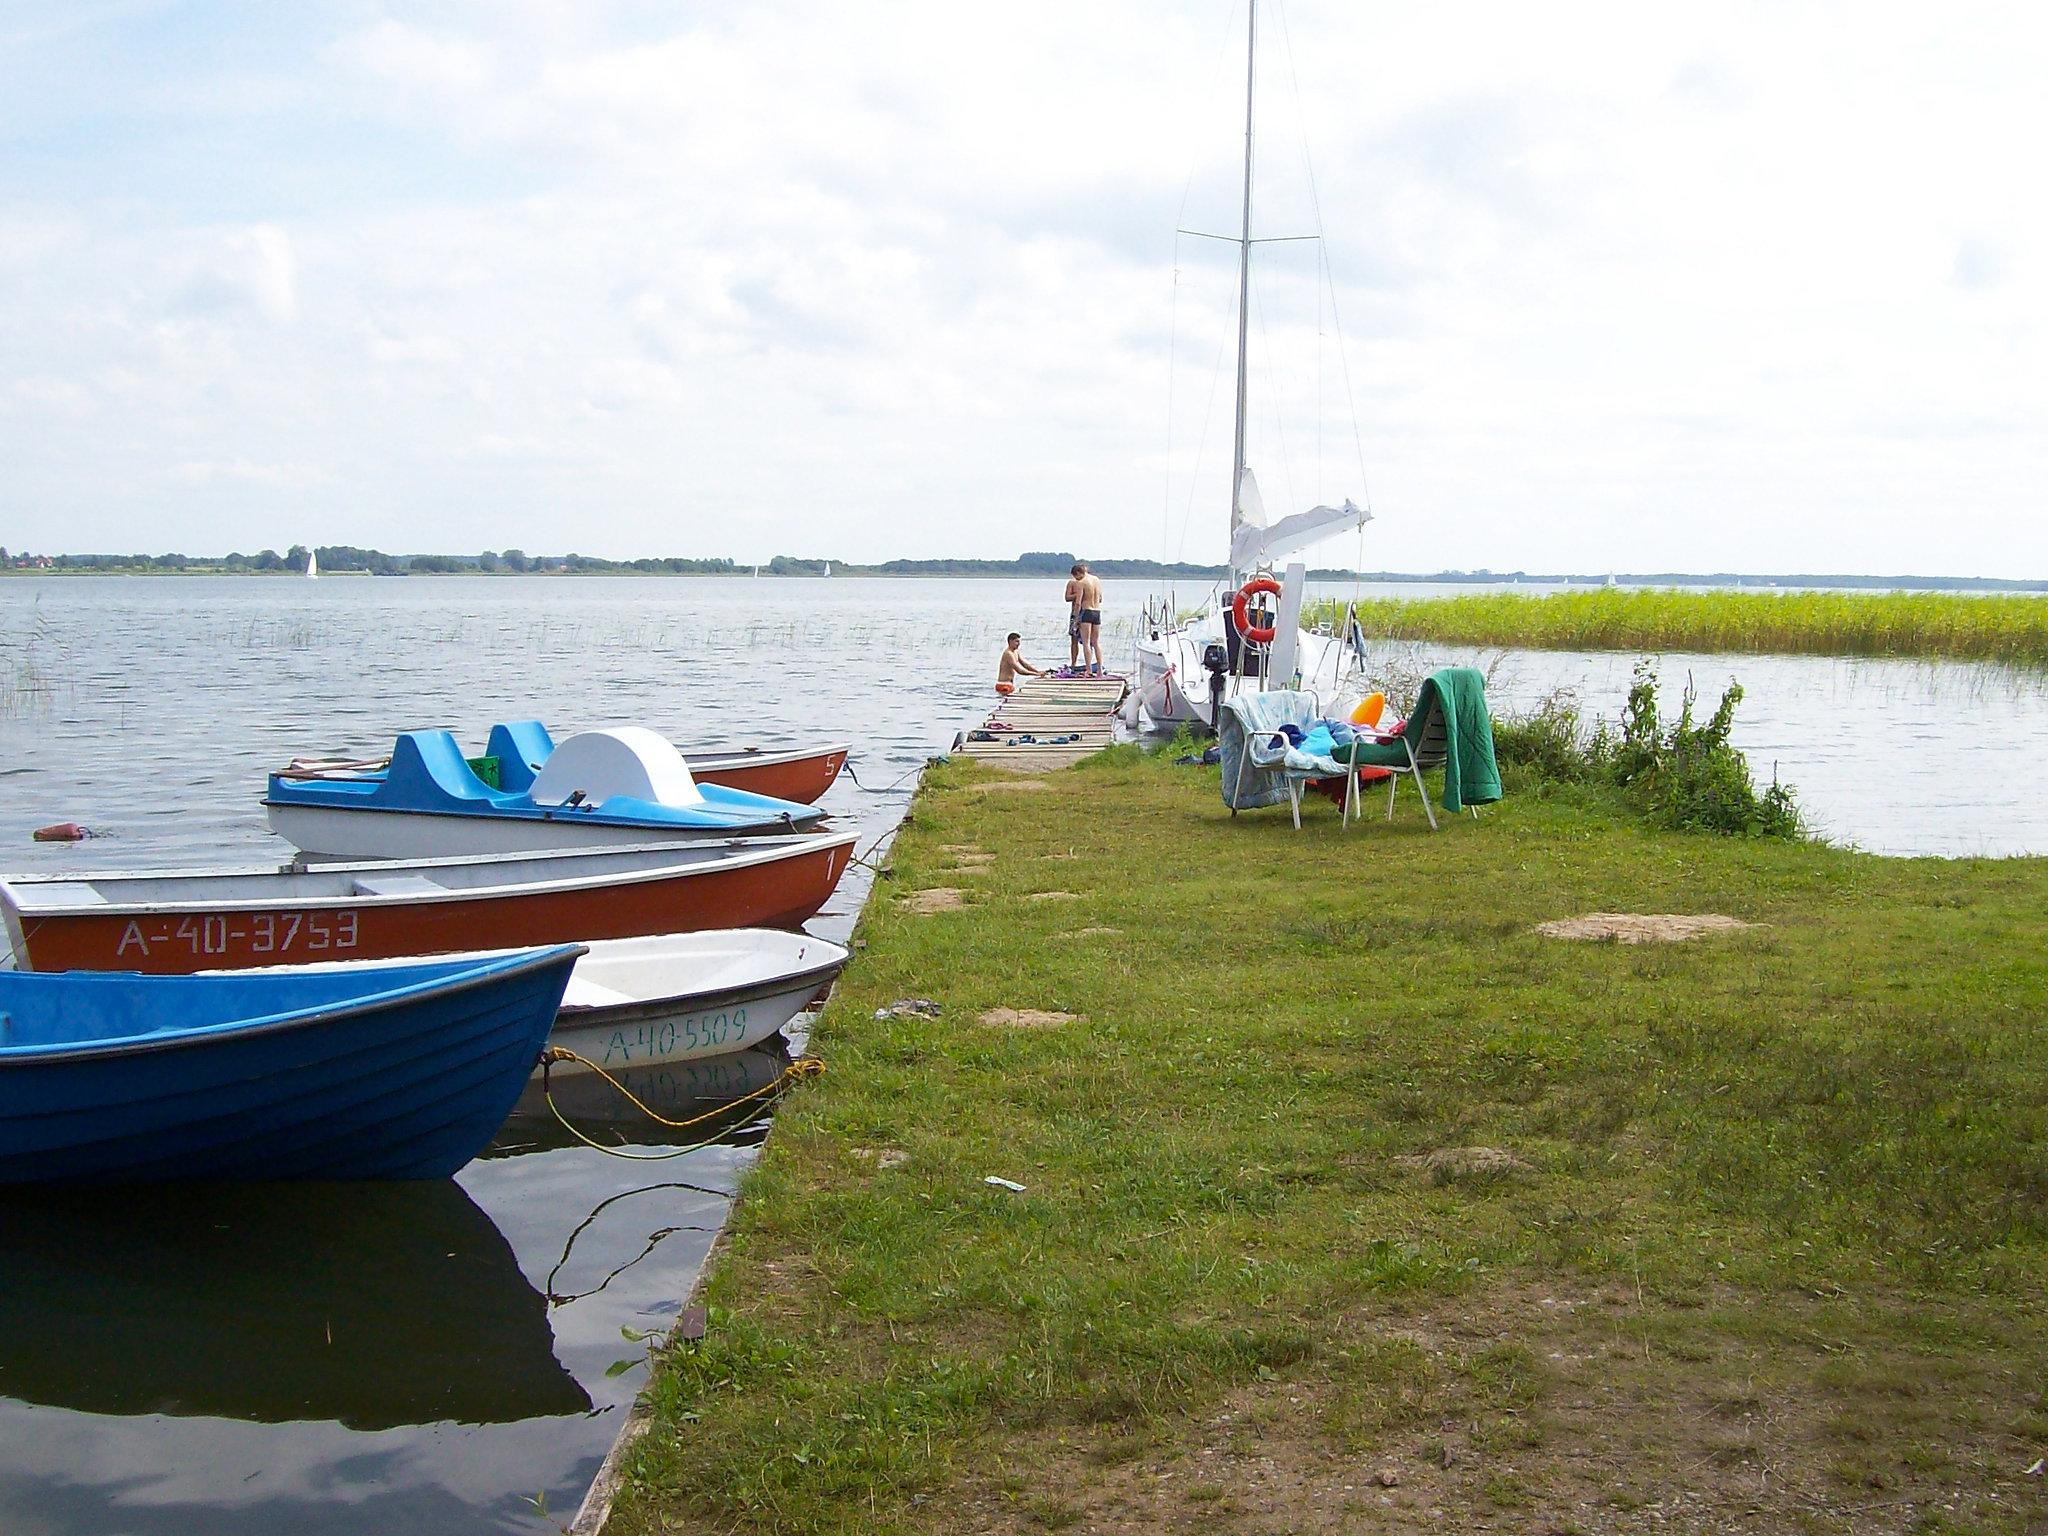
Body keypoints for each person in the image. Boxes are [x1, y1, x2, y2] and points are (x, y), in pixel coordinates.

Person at [1066, 561, 1104, 675]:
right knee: (1096, 643)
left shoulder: (1081, 583)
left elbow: (1078, 603)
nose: (1075, 580)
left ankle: (1088, 670)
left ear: (1078, 573)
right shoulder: (1096, 580)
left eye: (1075, 577)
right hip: (1097, 612)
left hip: (1086, 612)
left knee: (1086, 642)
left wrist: (1076, 619)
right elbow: (1100, 598)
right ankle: (1100, 670)